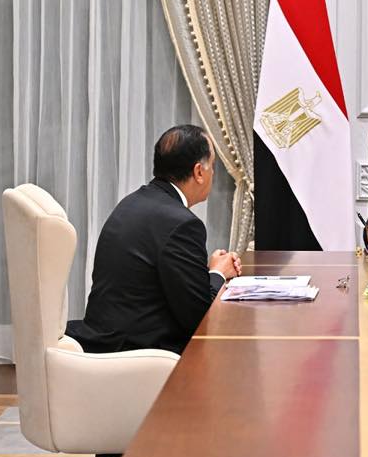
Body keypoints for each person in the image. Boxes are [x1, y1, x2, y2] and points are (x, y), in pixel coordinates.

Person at [66, 125, 241, 355]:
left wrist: (208, 273)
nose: (213, 175)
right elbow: (199, 320)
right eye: (213, 166)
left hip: (104, 338)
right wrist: (218, 273)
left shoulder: (133, 202)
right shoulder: (182, 224)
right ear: (199, 172)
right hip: (137, 352)